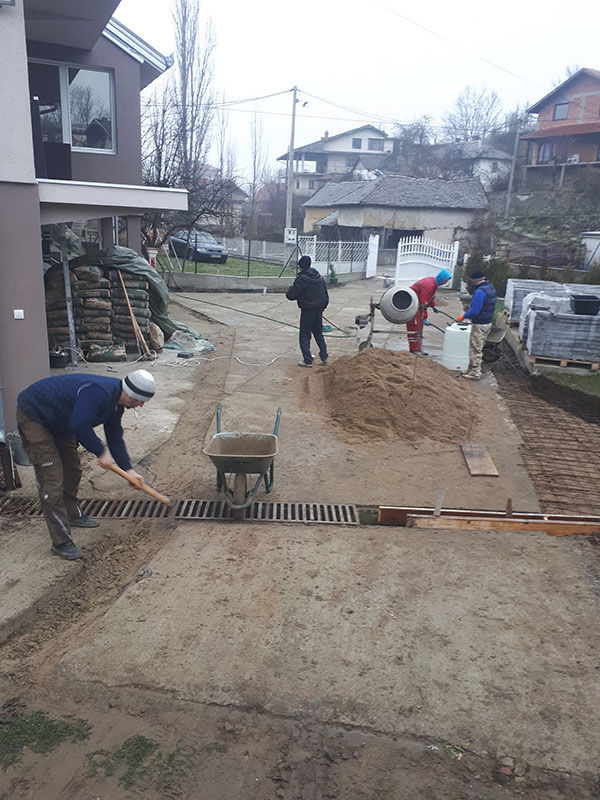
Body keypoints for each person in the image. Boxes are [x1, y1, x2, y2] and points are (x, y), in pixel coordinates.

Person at [16, 369, 155, 560]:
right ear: (130, 394)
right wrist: (101, 452)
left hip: (61, 419)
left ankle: (72, 514)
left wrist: (129, 470)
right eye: (140, 400)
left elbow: (115, 436)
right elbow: (80, 425)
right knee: (52, 480)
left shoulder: (117, 405)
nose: (141, 405)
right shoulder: (98, 393)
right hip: (35, 415)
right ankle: (61, 541)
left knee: (72, 469)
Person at [286, 255, 329, 367]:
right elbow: (325, 294)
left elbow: (291, 295)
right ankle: (324, 356)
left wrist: (290, 290)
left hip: (307, 311)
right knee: (318, 333)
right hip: (318, 310)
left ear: (300, 266)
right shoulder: (319, 277)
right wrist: (322, 307)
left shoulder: (301, 279)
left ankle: (307, 360)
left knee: (305, 335)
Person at [456, 270, 497, 380]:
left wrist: (464, 316)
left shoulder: (479, 292)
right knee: (478, 346)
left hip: (480, 324)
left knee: (475, 348)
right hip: (487, 322)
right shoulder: (490, 288)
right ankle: (471, 368)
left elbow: (474, 311)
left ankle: (475, 372)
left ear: (474, 281)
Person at [405, 269, 452, 354]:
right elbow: (424, 302)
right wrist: (425, 317)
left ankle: (417, 348)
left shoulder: (434, 283)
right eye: (445, 281)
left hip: (417, 305)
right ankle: (413, 349)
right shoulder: (429, 285)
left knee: (418, 328)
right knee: (414, 327)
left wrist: (433, 305)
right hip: (412, 305)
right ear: (441, 278)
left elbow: (429, 296)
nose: (445, 283)